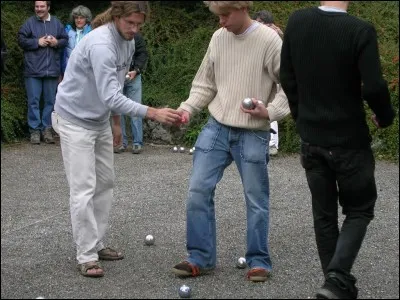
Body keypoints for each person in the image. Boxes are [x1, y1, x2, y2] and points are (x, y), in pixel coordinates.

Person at [53, 1, 182, 278]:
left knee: (106, 182)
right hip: (74, 119)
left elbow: (115, 87)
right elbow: (111, 95)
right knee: (83, 187)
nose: (134, 29)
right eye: (130, 23)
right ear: (116, 17)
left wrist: (114, 123)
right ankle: (86, 255)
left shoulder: (129, 42)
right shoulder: (101, 45)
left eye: (139, 24)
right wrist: (153, 113)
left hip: (98, 119)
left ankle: (96, 243)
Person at [280, 1, 395, 298]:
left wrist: (301, 116)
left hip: (312, 139)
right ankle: (336, 279)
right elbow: (373, 87)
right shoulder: (360, 31)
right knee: (359, 209)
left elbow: (287, 76)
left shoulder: (297, 22)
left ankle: (333, 285)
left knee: (324, 215)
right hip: (349, 140)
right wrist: (385, 117)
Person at [171, 1, 290, 282]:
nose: (221, 21)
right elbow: (205, 83)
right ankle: (200, 257)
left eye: (225, 15)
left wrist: (270, 111)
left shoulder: (269, 40)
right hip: (217, 127)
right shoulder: (218, 38)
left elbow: (291, 86)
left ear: (242, 7)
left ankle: (259, 261)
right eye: (218, 15)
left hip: (253, 132)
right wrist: (187, 109)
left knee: (256, 199)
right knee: (197, 190)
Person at [18, 1, 68, 144]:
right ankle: (34, 130)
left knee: (50, 101)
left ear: (48, 8)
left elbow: (65, 39)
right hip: (33, 70)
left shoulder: (57, 23)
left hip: (52, 70)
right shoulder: (29, 23)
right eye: (37, 6)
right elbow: (21, 39)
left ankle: (46, 129)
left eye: (42, 6)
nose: (39, 9)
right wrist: (36, 42)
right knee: (33, 101)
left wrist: (56, 42)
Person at [253, 10, 284, 156]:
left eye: (261, 23)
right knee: (257, 107)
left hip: (275, 78)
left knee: (270, 109)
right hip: (259, 77)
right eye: (257, 22)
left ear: (269, 23)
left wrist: (279, 34)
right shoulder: (254, 34)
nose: (258, 25)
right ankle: (259, 142)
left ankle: (272, 145)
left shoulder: (275, 35)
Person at [115, 32, 148, 154]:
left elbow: (142, 54)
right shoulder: (113, 37)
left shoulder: (137, 37)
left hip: (134, 76)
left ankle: (137, 143)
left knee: (136, 109)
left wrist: (136, 70)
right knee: (118, 109)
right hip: (117, 76)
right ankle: (121, 143)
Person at [61, 5, 92, 76]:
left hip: (85, 72)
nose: (78, 20)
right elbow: (62, 53)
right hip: (68, 71)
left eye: (81, 18)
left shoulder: (92, 33)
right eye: (76, 18)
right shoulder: (67, 31)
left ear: (86, 19)